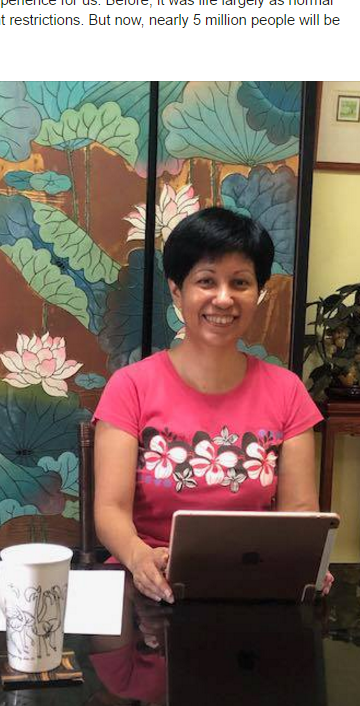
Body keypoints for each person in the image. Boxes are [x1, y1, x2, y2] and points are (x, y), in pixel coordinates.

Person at [93, 206, 331, 602]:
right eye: (206, 281)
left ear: (258, 292)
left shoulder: (288, 391)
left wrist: (307, 560)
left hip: (251, 583)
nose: (224, 299)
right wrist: (139, 557)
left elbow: (300, 512)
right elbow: (110, 510)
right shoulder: (130, 387)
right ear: (176, 290)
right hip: (148, 583)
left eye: (240, 283)